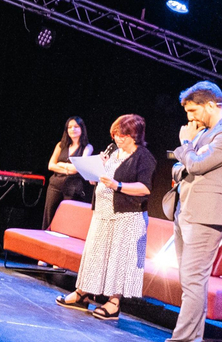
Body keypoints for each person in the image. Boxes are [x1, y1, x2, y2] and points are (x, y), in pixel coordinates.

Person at [141, 81, 222, 342]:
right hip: (187, 211)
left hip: (207, 216)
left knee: (192, 282)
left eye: (193, 111)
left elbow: (197, 165)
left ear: (211, 104)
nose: (190, 119)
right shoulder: (206, 132)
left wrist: (186, 146)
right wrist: (189, 158)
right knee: (190, 282)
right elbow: (182, 167)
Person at [58, 115, 155, 321]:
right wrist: (95, 173)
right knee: (95, 254)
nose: (117, 139)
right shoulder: (112, 151)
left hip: (127, 216)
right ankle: (83, 293)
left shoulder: (143, 157)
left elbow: (145, 188)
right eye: (115, 135)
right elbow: (102, 179)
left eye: (122, 135)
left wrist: (117, 185)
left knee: (119, 258)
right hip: (102, 213)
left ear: (134, 135)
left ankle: (114, 302)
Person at [42, 116, 96, 229]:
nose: (72, 129)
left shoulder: (87, 147)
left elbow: (78, 168)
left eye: (76, 127)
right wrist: (68, 169)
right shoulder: (60, 145)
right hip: (55, 185)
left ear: (82, 129)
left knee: (67, 219)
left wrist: (61, 164)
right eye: (69, 127)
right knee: (49, 215)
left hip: (73, 187)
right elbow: (51, 165)